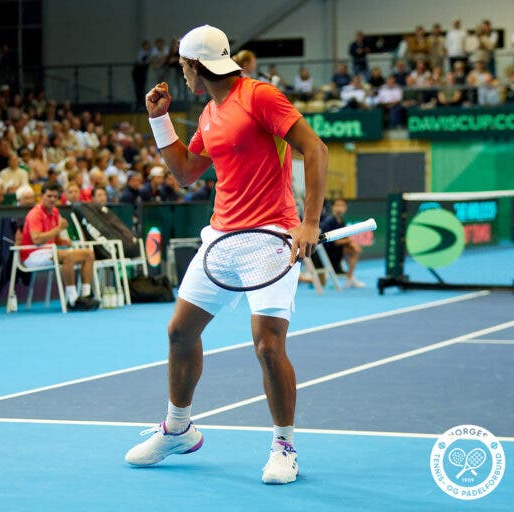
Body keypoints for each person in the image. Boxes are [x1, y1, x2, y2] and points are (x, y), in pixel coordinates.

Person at [124, 25, 327, 485]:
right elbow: (187, 173)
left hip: (270, 237)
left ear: (196, 66)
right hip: (220, 239)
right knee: (179, 332)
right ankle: (178, 429)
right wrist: (159, 120)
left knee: (268, 344)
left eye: (182, 66)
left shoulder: (260, 97)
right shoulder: (210, 114)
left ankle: (284, 446)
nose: (181, 74)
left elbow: (314, 149)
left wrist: (310, 222)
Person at [19, 183, 100, 311]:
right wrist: (58, 229)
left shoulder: (55, 212)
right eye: (49, 196)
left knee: (88, 253)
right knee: (67, 256)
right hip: (31, 255)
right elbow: (37, 239)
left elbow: (55, 239)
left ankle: (85, 295)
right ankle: (73, 300)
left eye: (55, 197)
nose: (52, 199)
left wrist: (64, 242)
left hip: (50, 251)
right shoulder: (35, 214)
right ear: (41, 196)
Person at [319, 199, 364, 288]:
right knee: (353, 250)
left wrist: (352, 244)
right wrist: (351, 242)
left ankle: (349, 278)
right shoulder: (329, 221)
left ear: (345, 208)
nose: (339, 208)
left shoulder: (341, 221)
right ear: (333, 207)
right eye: (337, 205)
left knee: (354, 251)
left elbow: (344, 238)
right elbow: (335, 241)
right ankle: (349, 278)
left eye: (342, 205)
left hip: (337, 251)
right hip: (328, 254)